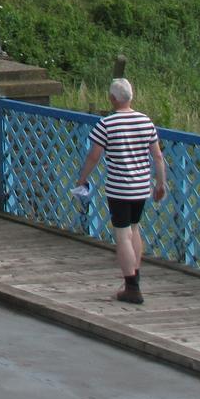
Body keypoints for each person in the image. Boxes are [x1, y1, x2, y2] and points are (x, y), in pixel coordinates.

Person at [72, 78, 168, 304]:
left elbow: (94, 156)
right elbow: (157, 156)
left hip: (119, 188)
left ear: (112, 99)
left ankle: (131, 287)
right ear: (131, 97)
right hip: (141, 187)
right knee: (135, 229)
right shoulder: (146, 121)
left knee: (122, 234)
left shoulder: (106, 124)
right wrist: (161, 183)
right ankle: (135, 278)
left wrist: (82, 178)